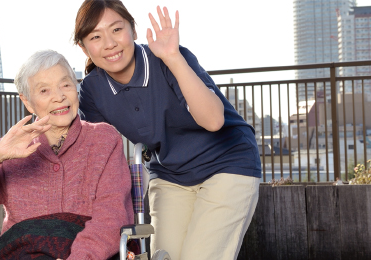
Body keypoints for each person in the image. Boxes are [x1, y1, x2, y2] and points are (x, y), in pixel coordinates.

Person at [73, 1, 261, 259]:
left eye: (117, 30)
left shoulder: (167, 58)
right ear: (83, 47)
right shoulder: (92, 91)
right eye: (96, 36)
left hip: (227, 162)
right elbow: (96, 161)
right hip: (171, 174)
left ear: (134, 31)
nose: (109, 43)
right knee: (163, 255)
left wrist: (172, 57)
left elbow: (214, 121)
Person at [0, 50, 133, 260]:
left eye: (65, 85)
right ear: (27, 102)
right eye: (44, 90)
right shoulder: (13, 148)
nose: (59, 96)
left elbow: (110, 217)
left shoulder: (104, 139)